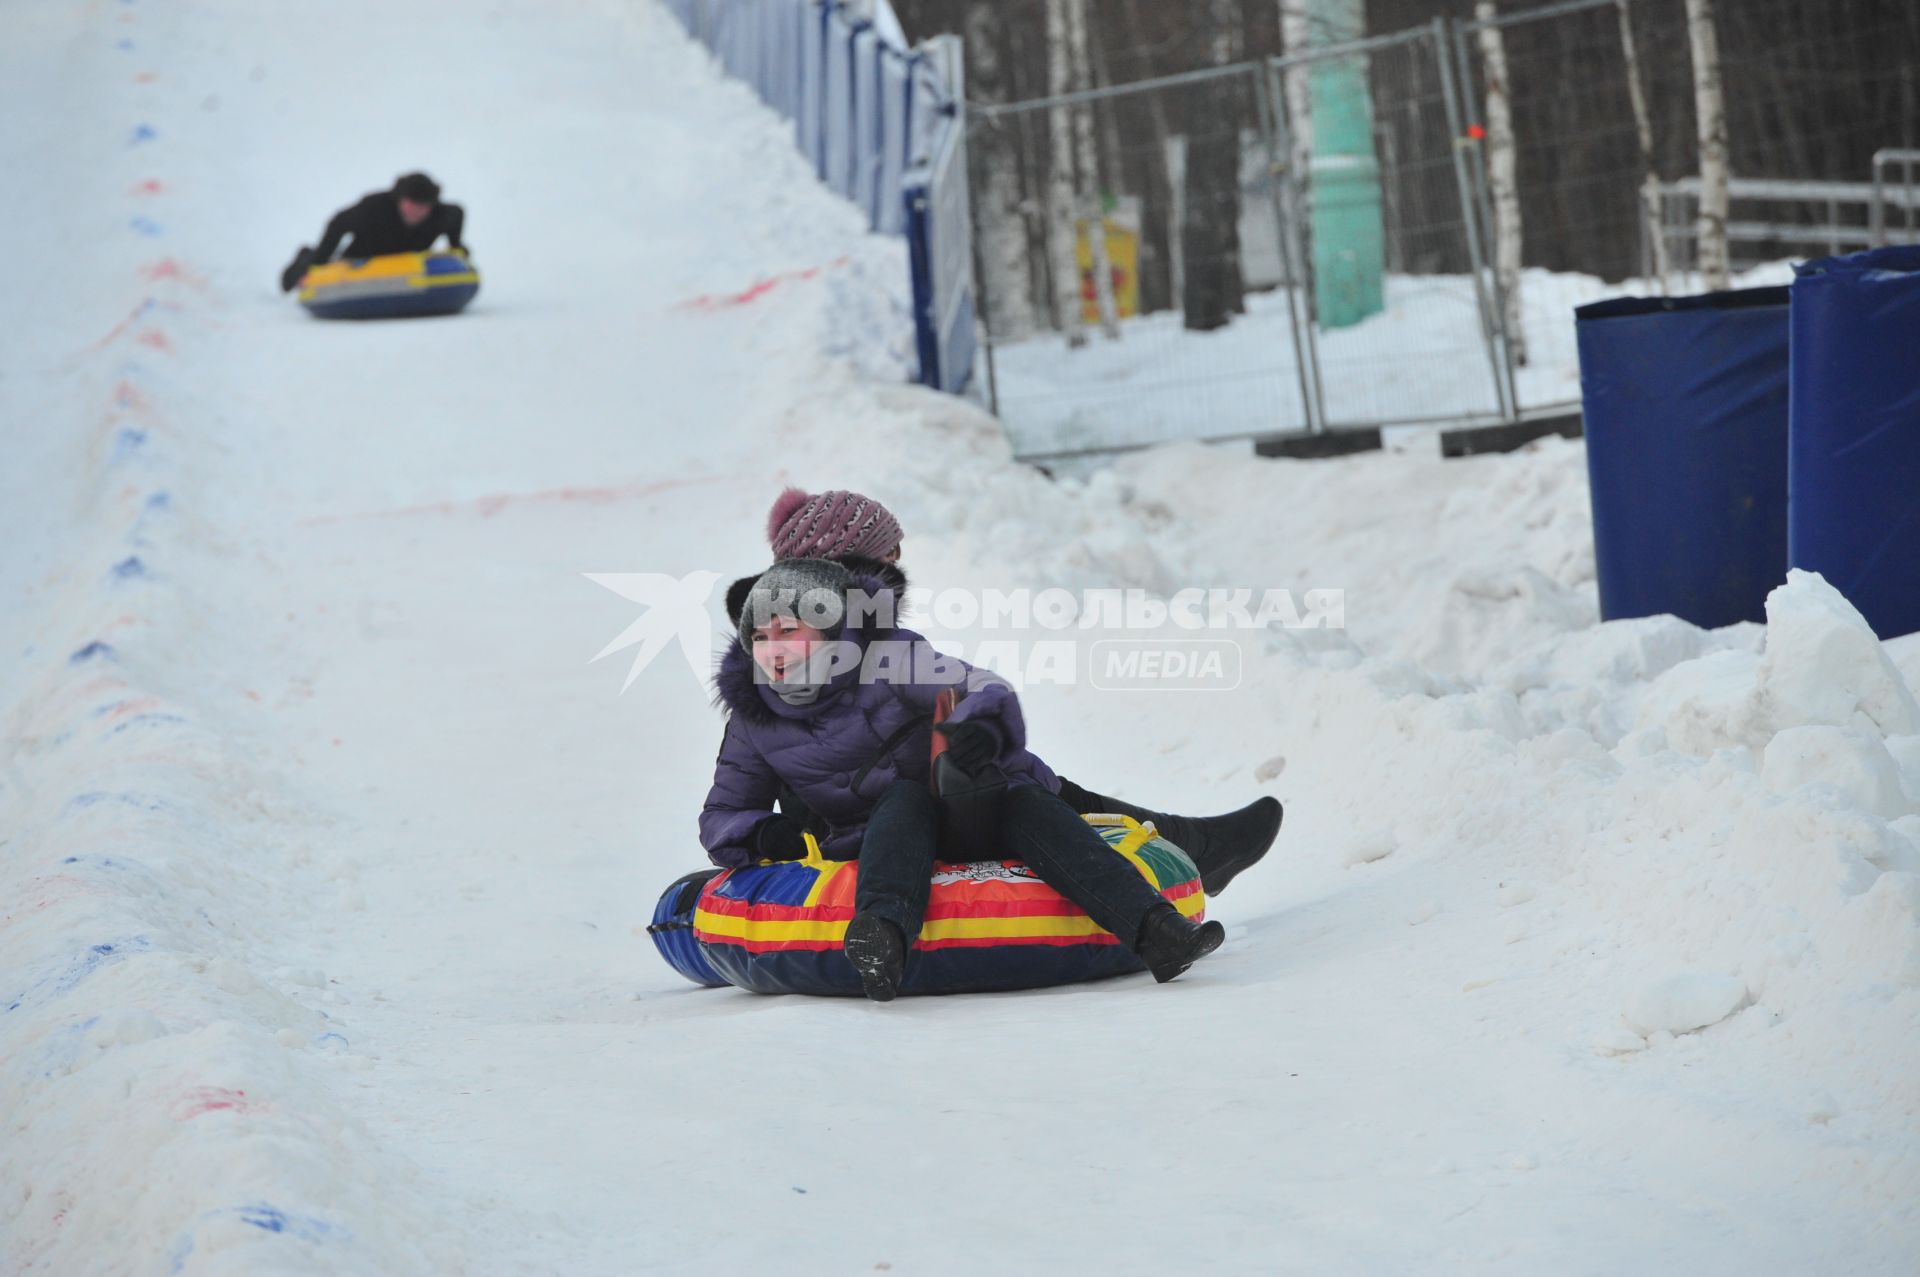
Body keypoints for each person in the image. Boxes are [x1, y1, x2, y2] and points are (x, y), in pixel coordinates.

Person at [702, 557, 1226, 1001]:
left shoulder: (892, 657)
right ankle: (882, 940)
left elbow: (977, 686)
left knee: (1025, 801)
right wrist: (761, 833)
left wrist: (980, 729)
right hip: (878, 841)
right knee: (902, 797)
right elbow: (723, 814)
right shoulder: (753, 720)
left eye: (788, 630)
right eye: (760, 635)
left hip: (962, 813)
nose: (773, 649)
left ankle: (1159, 932)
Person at [738, 486, 1283, 896]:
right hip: (879, 827)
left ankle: (1191, 842)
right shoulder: (830, 655)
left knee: (1012, 768)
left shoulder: (795, 646)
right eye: (890, 551)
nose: (898, 563)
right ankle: (1195, 846)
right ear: (852, 566)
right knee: (1019, 787)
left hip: (896, 805)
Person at [279, 172, 467, 292]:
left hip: (403, 262)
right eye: (411, 204)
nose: (416, 211)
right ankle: (306, 255)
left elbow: (458, 213)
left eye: (423, 206)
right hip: (360, 259)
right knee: (299, 275)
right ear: (400, 200)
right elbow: (338, 223)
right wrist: (317, 263)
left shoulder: (443, 214)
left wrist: (456, 247)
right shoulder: (374, 207)